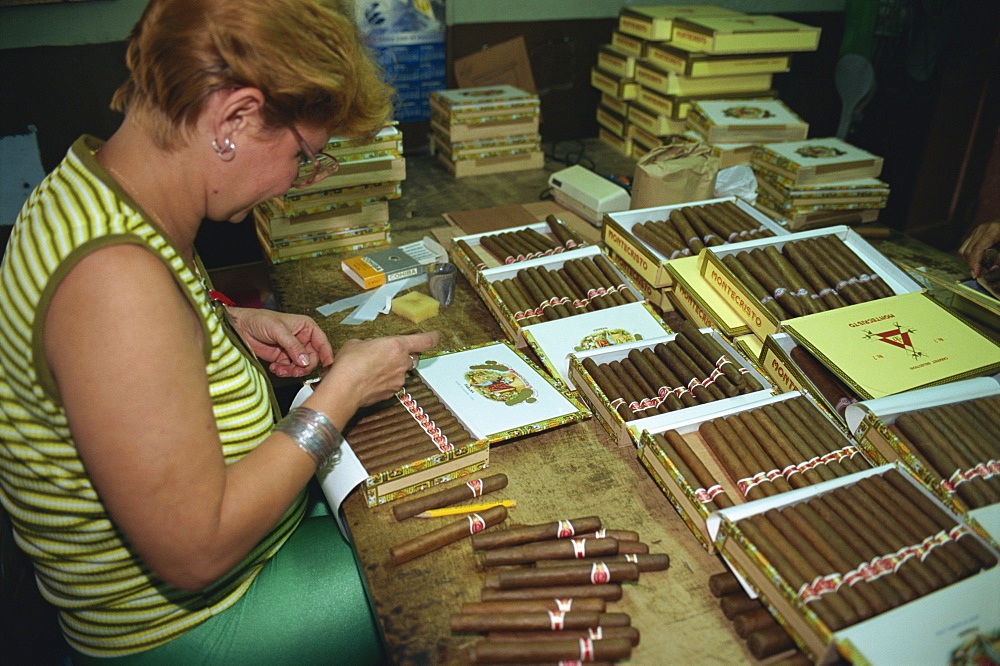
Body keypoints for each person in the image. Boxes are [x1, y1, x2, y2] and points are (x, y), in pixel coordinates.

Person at [0, 0, 437, 662]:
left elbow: (117, 342)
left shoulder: (101, 187)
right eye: (301, 157)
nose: (291, 185)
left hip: (242, 563)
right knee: (443, 573)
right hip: (187, 629)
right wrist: (339, 393)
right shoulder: (114, 281)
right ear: (233, 118)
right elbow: (196, 552)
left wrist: (221, 322)